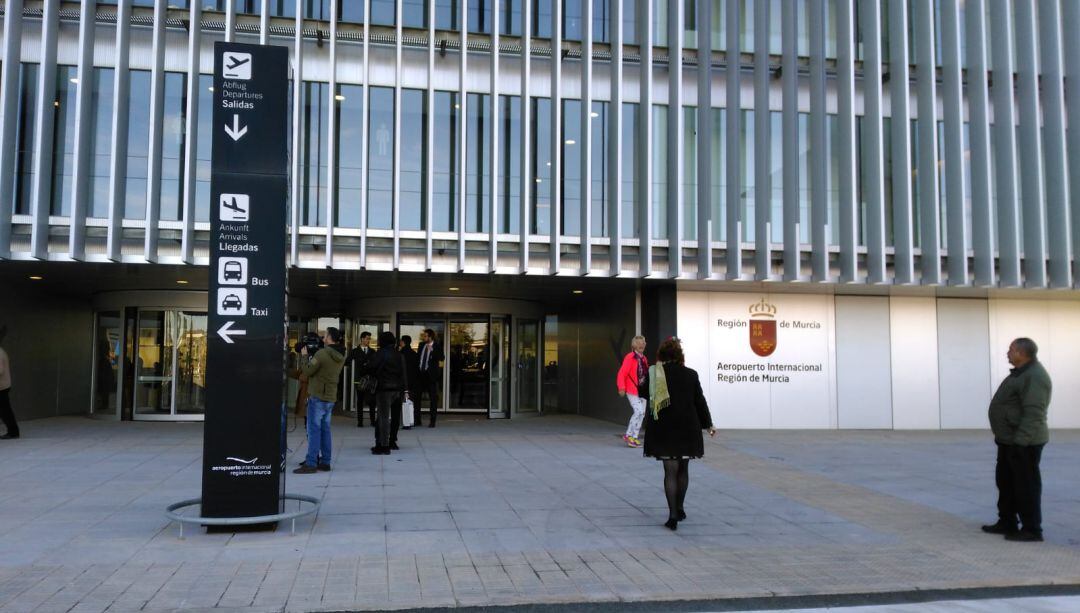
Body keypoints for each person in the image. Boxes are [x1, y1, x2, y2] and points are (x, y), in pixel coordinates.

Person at [982, 337, 1052, 542]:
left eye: (1011, 350)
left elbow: (1034, 413)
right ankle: (1007, 521)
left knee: (1025, 485)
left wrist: (1021, 442)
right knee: (1006, 482)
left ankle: (1032, 529)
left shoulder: (1034, 376)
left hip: (1024, 443)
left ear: (1022, 353)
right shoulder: (1020, 373)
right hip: (1009, 440)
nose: (1008, 353)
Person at [642, 337, 715, 531]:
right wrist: (708, 424)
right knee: (683, 469)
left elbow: (643, 393)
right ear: (680, 355)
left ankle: (672, 514)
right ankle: (681, 508)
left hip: (665, 428)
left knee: (670, 472)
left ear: (661, 355)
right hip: (687, 427)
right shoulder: (691, 374)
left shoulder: (655, 373)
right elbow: (700, 401)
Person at [294, 327, 346, 474]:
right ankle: (325, 462)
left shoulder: (322, 354)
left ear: (329, 338)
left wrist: (305, 356)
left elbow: (307, 371)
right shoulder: (341, 354)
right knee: (325, 430)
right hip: (330, 397)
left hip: (318, 397)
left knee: (313, 431)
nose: (323, 338)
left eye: (325, 336)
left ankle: (311, 463)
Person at [366, 331, 407, 455]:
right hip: (397, 390)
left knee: (383, 418)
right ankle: (392, 441)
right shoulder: (399, 355)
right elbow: (404, 374)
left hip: (384, 390)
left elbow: (370, 368)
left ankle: (383, 446)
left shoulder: (380, 353)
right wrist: (405, 390)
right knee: (395, 417)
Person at [616, 335, 649, 448]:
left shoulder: (644, 359)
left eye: (643, 343)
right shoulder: (630, 357)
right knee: (638, 411)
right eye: (639, 343)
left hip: (643, 390)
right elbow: (622, 373)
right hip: (632, 390)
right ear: (634, 345)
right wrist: (621, 387)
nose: (641, 345)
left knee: (642, 414)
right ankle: (629, 435)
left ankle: (634, 437)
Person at [346, 331, 376, 428]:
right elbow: (348, 362)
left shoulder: (373, 351)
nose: (368, 340)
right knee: (360, 400)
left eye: (369, 339)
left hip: (370, 379)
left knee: (372, 401)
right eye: (367, 338)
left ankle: (373, 421)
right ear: (362, 339)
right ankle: (360, 421)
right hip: (359, 379)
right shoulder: (355, 351)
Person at [417, 328, 444, 428]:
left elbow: (441, 358)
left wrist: (432, 350)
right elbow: (418, 358)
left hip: (431, 376)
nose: (424, 337)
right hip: (421, 374)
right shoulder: (421, 345)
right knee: (417, 398)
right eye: (423, 336)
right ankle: (417, 420)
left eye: (425, 336)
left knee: (433, 399)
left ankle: (432, 421)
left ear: (430, 337)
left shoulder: (436, 346)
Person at [399, 335, 422, 429]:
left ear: (403, 342)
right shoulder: (414, 354)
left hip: (404, 381)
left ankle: (406, 421)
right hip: (414, 381)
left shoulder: (400, 354)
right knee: (414, 402)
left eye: (401, 341)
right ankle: (416, 420)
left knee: (404, 402)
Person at [0, 325, 19, 439]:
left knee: (5, 411)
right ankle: (13, 431)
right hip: (4, 386)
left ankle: (13, 432)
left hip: (2, 387)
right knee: (5, 410)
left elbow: (0, 370)